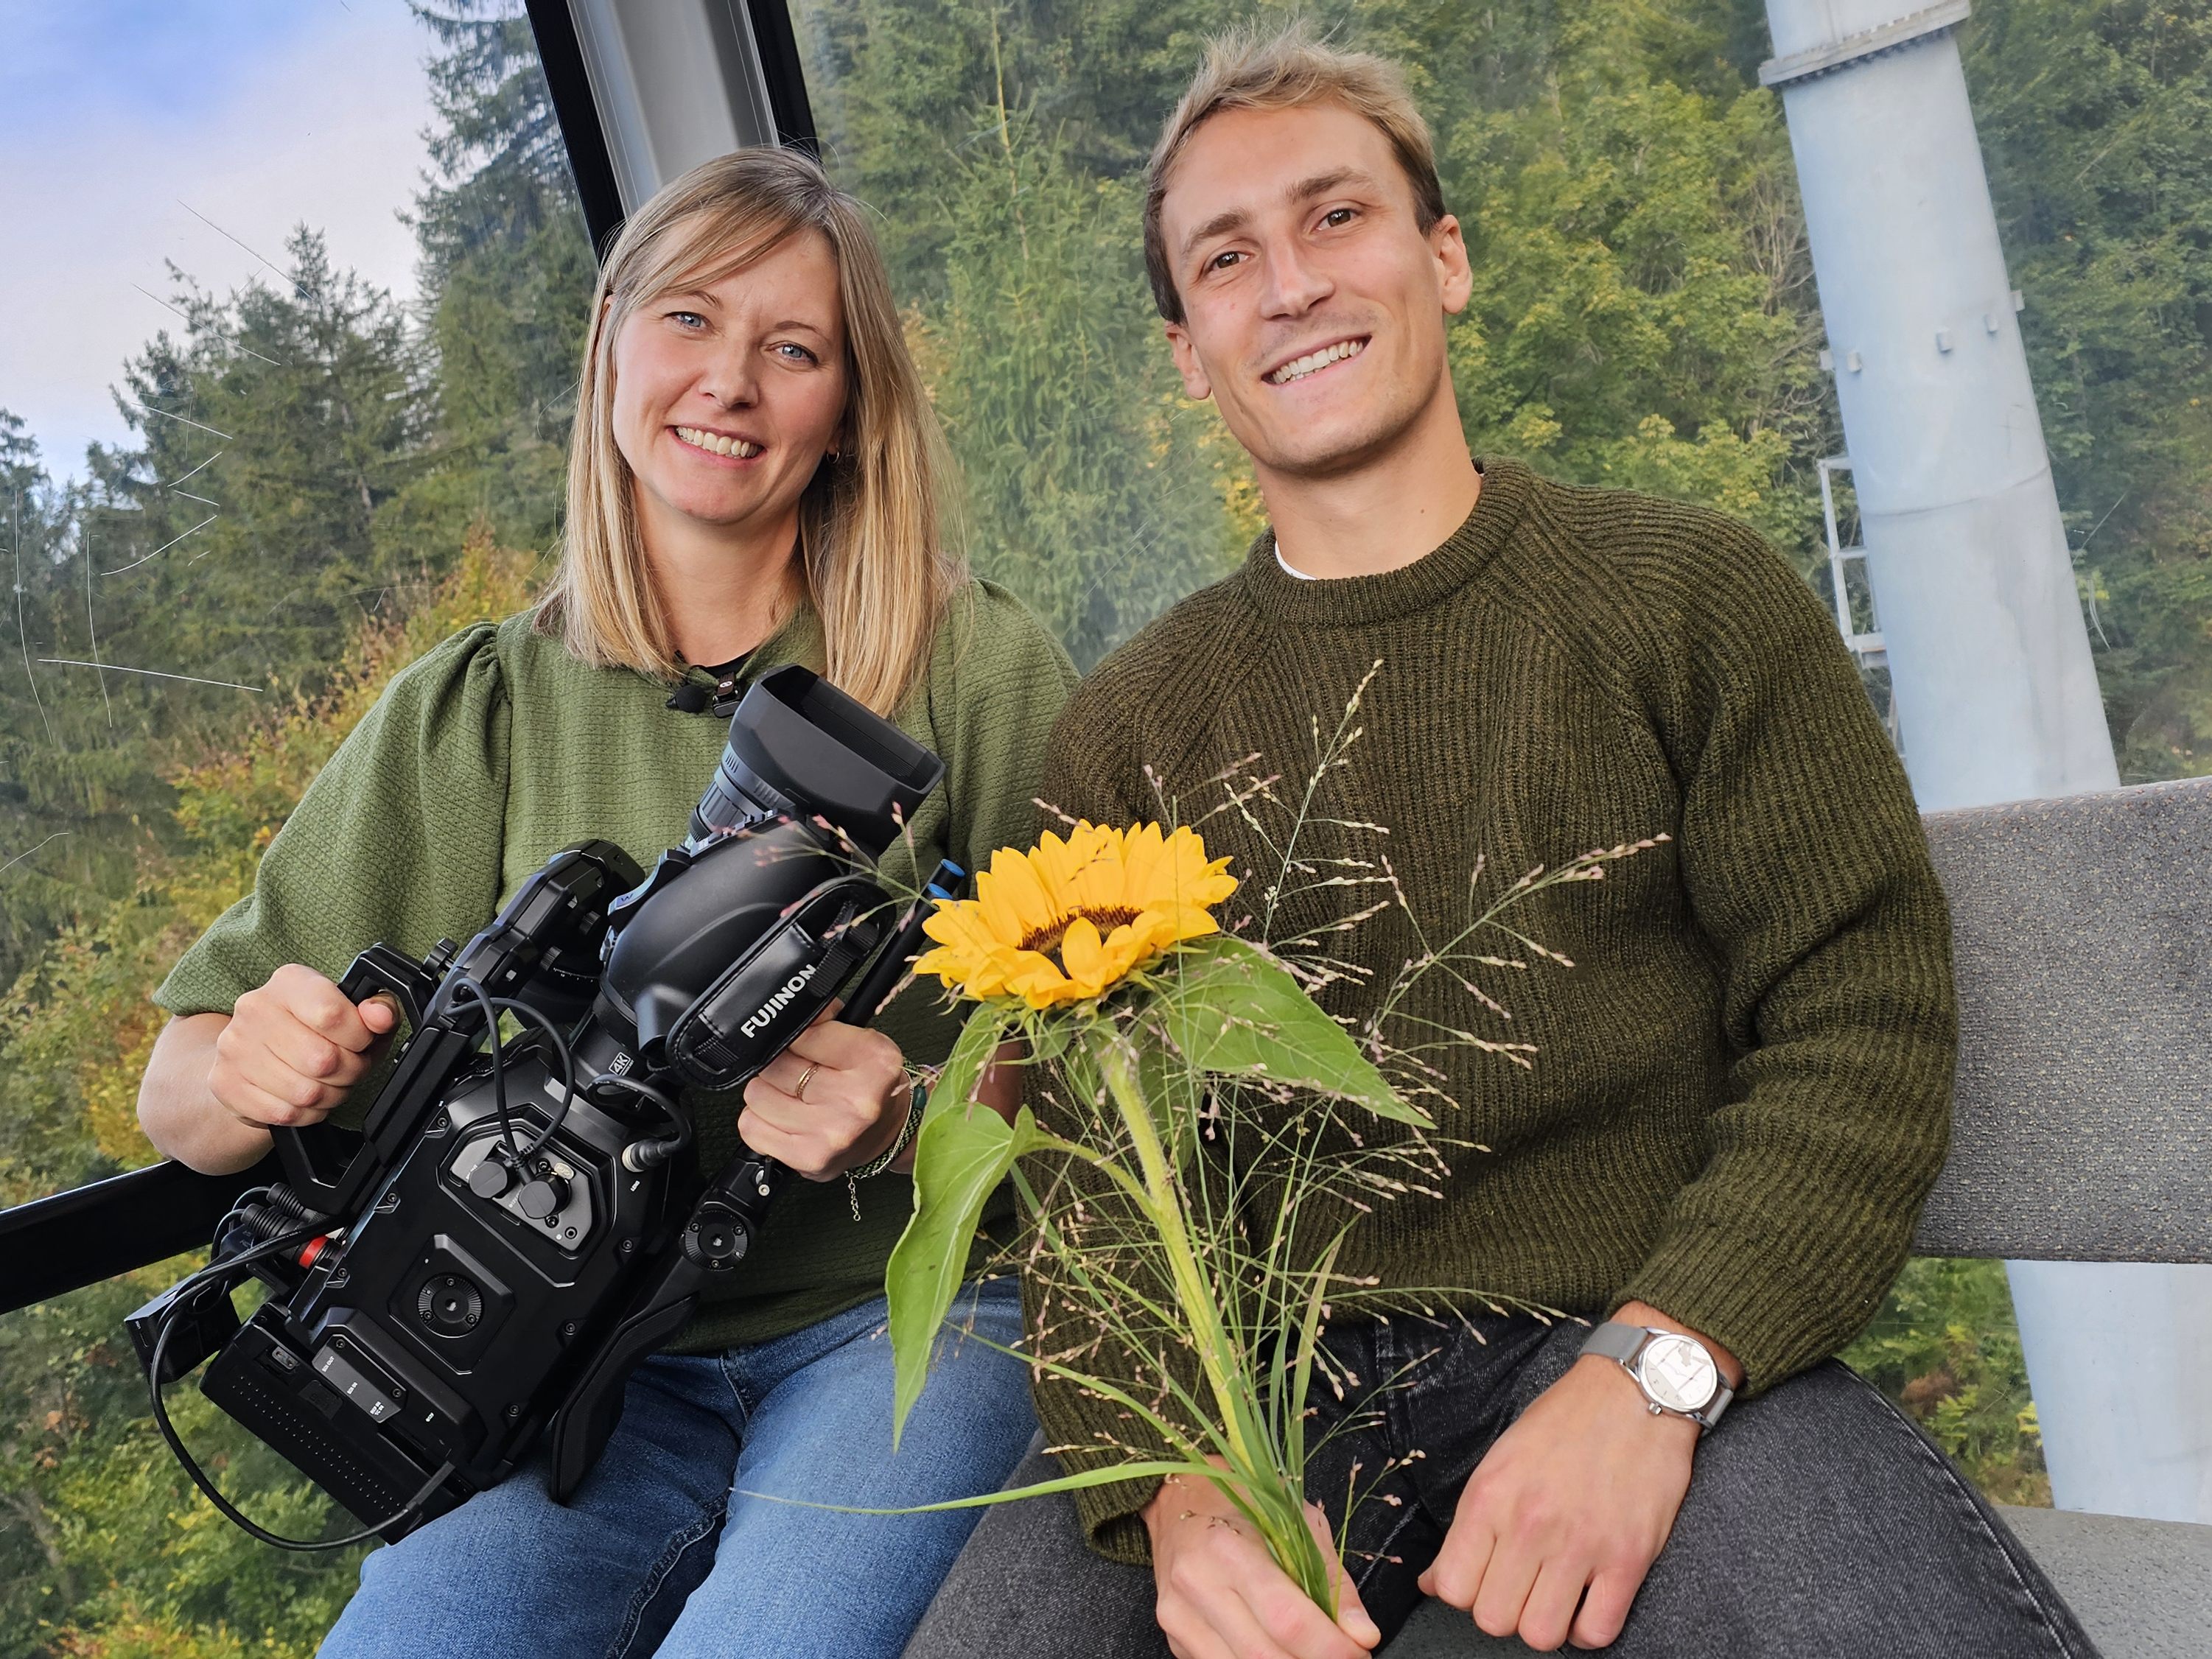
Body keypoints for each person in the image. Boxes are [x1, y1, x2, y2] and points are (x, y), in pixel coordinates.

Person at [904, 27, 2097, 1659]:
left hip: (1645, 1338)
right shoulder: (1130, 726)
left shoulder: (1690, 600)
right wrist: (1179, 1487)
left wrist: (1658, 1370)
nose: (1293, 285)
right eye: (1227, 258)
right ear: (1188, 350)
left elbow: (1859, 1016)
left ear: (1441, 254)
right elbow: (1105, 1186)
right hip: (1272, 1403)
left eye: (1338, 218)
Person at [136, 147, 1073, 1659]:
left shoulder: (972, 666)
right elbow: (177, 1090)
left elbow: (1123, 1062)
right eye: (690, 321)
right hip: (567, 1379)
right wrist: (254, 1071)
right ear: (613, 349)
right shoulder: (479, 706)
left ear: (847, 408)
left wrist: (915, 1108)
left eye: (794, 348)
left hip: (899, 1321)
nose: (732, 385)